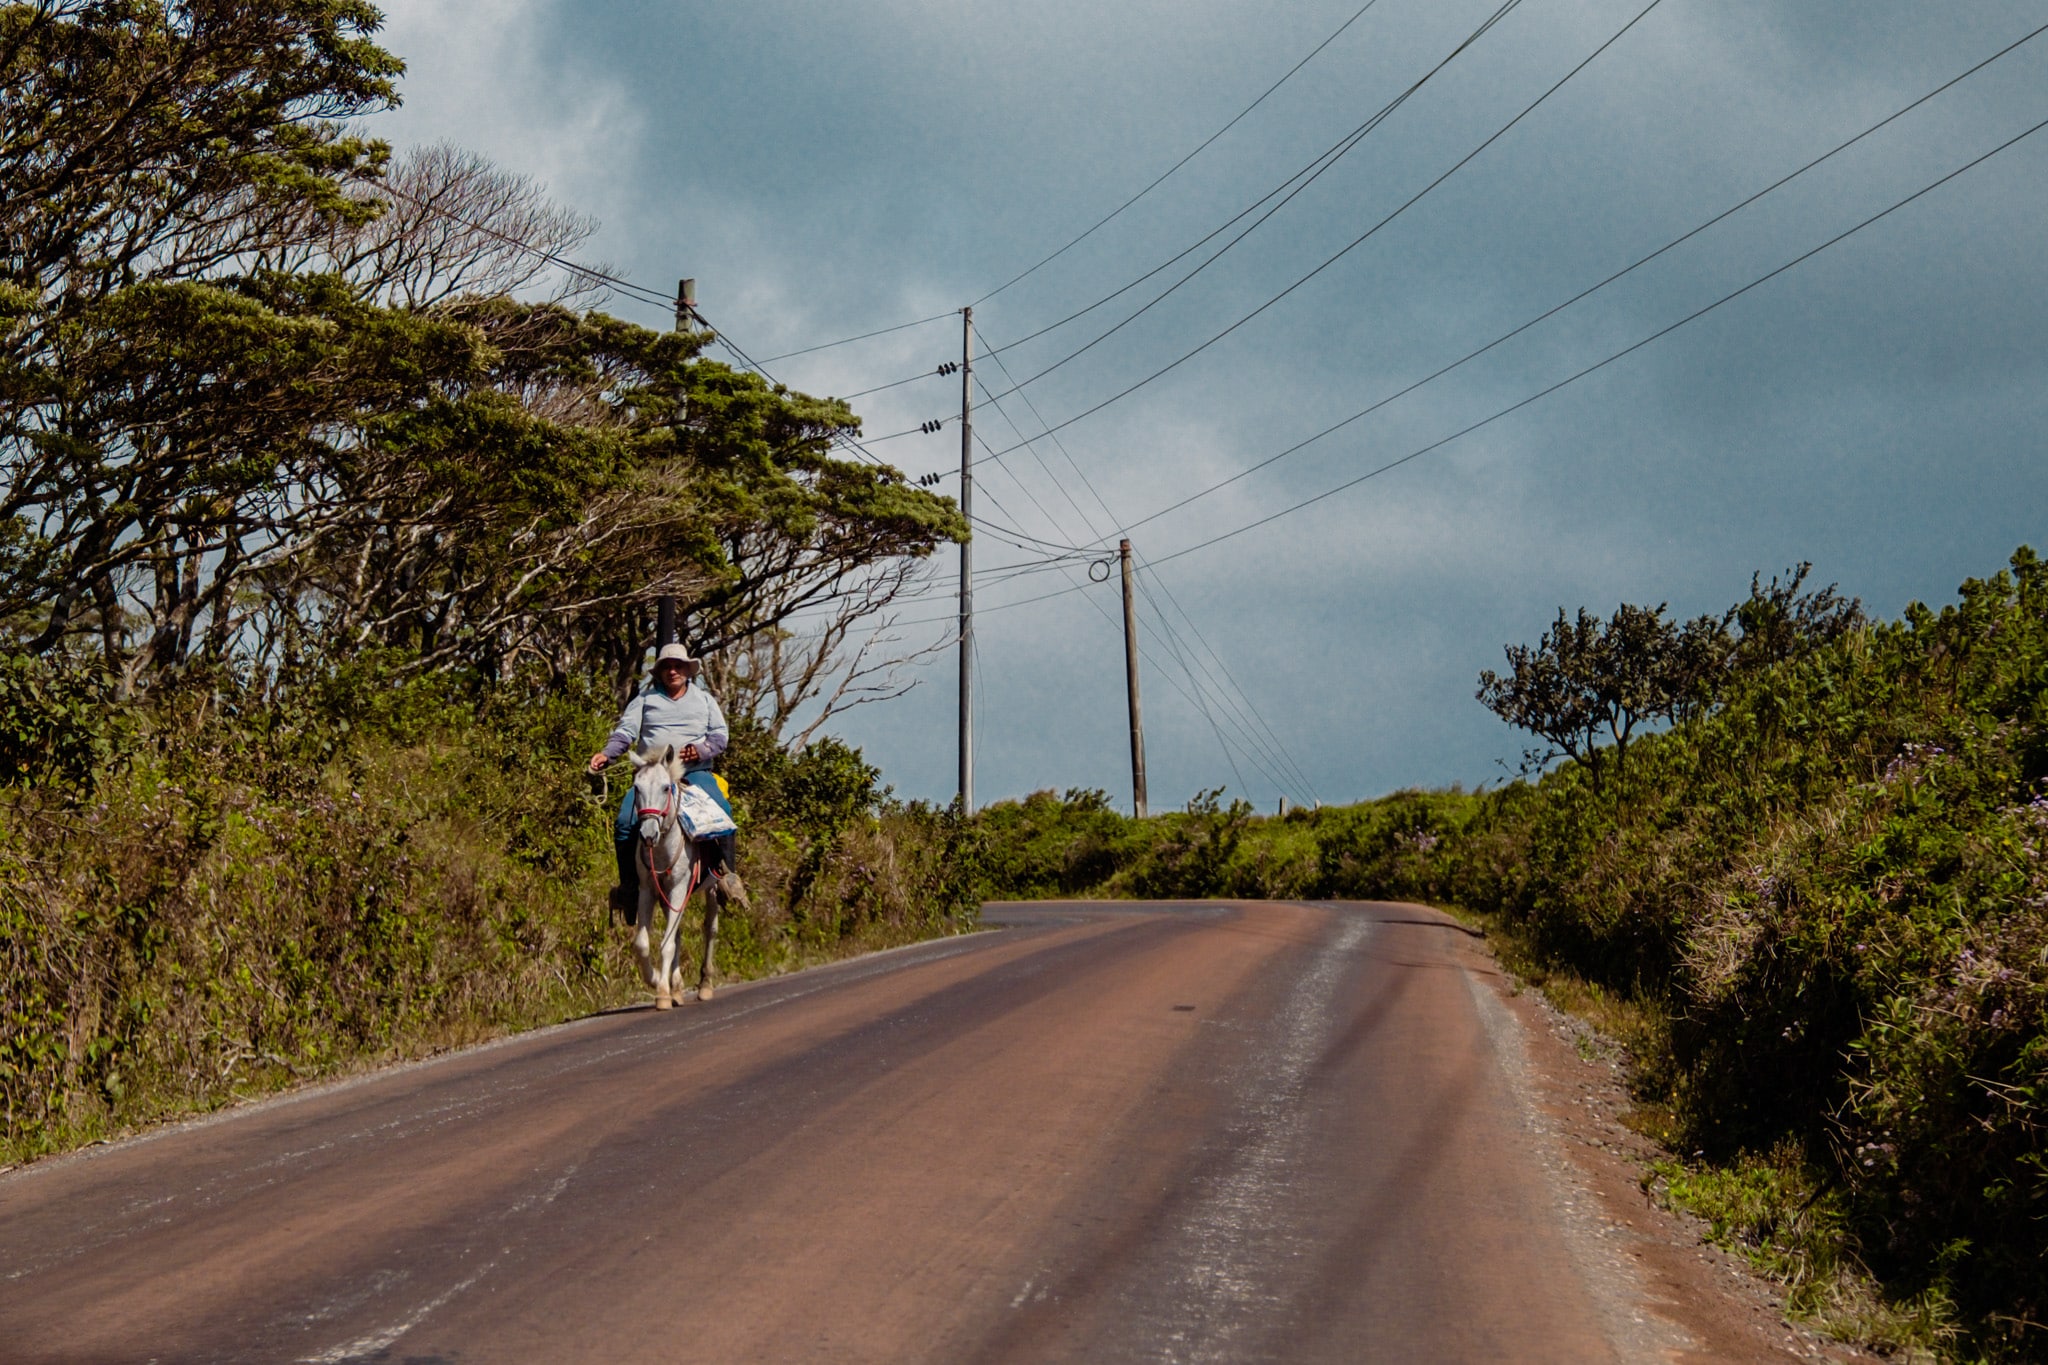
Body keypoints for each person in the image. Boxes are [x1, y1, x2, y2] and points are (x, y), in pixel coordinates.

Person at [588, 642, 747, 916]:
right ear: (660, 672)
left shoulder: (705, 700)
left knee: (723, 811)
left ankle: (727, 876)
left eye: (678, 666)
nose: (673, 671)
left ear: (688, 669)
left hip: (693, 771)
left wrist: (699, 750)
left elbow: (720, 736)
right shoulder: (645, 700)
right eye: (667, 667)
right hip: (652, 773)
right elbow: (625, 732)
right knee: (625, 821)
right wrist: (607, 754)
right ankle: (629, 887)